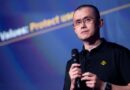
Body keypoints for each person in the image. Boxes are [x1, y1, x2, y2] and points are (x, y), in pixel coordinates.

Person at [63, 4, 130, 90]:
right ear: (74, 29)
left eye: (87, 20)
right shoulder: (72, 64)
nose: (83, 26)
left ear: (100, 23)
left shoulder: (119, 52)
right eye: (78, 22)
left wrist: (104, 86)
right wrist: (72, 85)